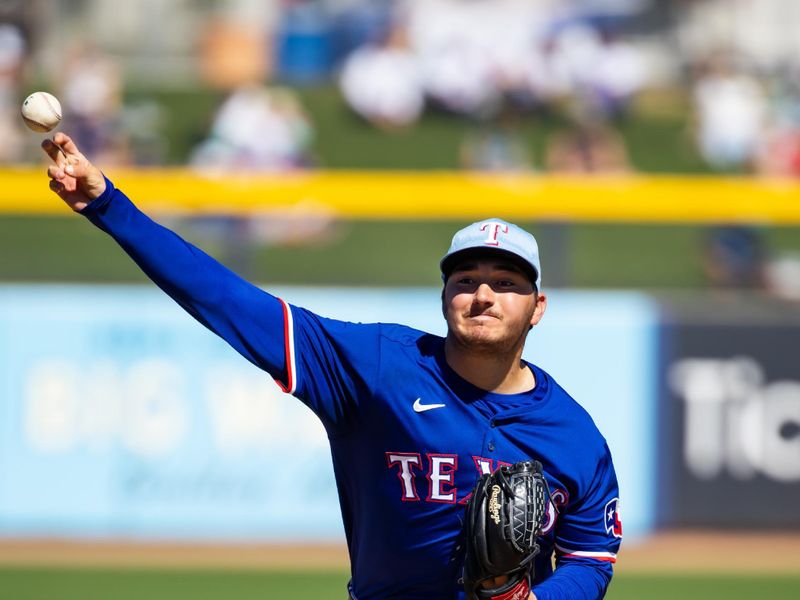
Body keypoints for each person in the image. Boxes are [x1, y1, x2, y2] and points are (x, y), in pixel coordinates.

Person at [42, 132, 622, 600]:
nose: (483, 296)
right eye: (465, 280)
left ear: (537, 307)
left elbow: (591, 557)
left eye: (506, 283)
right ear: (444, 296)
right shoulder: (376, 368)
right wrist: (107, 205)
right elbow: (226, 299)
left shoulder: (574, 435)